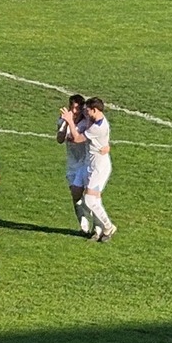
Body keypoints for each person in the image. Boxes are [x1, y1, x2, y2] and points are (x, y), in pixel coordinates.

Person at [72, 96, 116, 242]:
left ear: (95, 110)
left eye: (88, 111)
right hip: (91, 165)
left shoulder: (98, 128)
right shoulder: (97, 120)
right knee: (92, 199)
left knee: (90, 200)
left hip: (99, 167)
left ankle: (108, 226)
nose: (86, 113)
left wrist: (69, 121)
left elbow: (77, 138)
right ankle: (98, 230)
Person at [57, 93, 92, 236]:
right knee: (75, 196)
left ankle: (97, 225)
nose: (74, 111)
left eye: (77, 109)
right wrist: (65, 123)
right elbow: (60, 139)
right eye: (72, 108)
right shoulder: (63, 120)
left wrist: (70, 122)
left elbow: (76, 138)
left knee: (89, 196)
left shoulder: (85, 124)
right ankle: (84, 226)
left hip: (85, 163)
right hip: (72, 164)